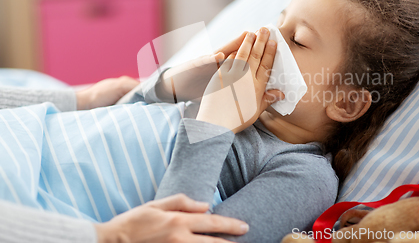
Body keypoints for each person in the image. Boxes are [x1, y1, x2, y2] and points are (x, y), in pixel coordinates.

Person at [130, 0, 419, 242]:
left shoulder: (306, 176)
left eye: (297, 39)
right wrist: (172, 86)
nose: (266, 35)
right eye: (278, 21)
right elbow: (116, 121)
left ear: (346, 102)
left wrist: (213, 127)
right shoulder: (222, 94)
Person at [0, 77, 250, 243]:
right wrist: (109, 236)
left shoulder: (285, 164)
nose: (269, 41)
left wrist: (81, 99)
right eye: (290, 35)